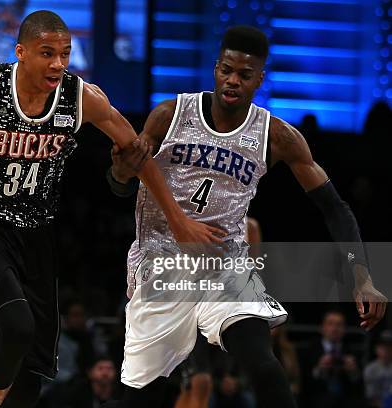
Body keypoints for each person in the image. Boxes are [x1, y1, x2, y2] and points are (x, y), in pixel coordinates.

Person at [0, 10, 217, 408]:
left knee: (30, 376)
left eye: (65, 53)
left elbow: (138, 155)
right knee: (16, 325)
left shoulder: (80, 97)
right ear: (21, 53)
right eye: (47, 53)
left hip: (37, 236)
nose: (58, 63)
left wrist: (178, 219)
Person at [105, 25, 386, 408]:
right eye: (226, 70)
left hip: (224, 266)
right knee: (142, 397)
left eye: (244, 74)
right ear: (216, 68)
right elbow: (121, 184)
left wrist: (363, 275)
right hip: (161, 264)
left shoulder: (277, 136)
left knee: (264, 367)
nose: (232, 80)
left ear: (260, 79)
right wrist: (121, 172)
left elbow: (333, 206)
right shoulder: (170, 115)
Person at [301, 310, 364, 408]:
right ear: (322, 327)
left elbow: (358, 383)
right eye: (330, 324)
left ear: (344, 329)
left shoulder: (351, 350)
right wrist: (319, 369)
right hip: (318, 397)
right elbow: (304, 381)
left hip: (345, 398)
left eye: (339, 325)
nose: (335, 328)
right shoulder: (310, 349)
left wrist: (353, 371)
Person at [364, 330, 392, 408]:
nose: (386, 350)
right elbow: (370, 397)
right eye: (383, 346)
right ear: (376, 348)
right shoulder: (370, 369)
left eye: (389, 346)